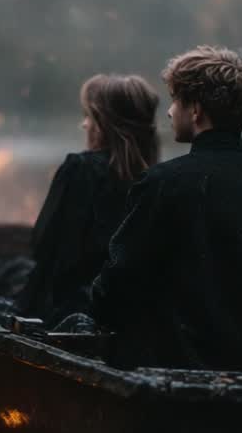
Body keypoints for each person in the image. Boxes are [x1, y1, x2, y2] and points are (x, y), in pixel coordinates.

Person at [90, 46, 242, 372]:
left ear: (196, 110)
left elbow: (112, 294)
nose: (170, 112)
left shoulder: (162, 184)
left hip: (181, 372)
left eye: (175, 100)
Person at [12, 74, 160, 326]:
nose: (84, 125)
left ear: (103, 124)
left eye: (89, 116)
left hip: (59, 308)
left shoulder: (80, 169)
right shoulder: (157, 180)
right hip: (121, 312)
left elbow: (43, 243)